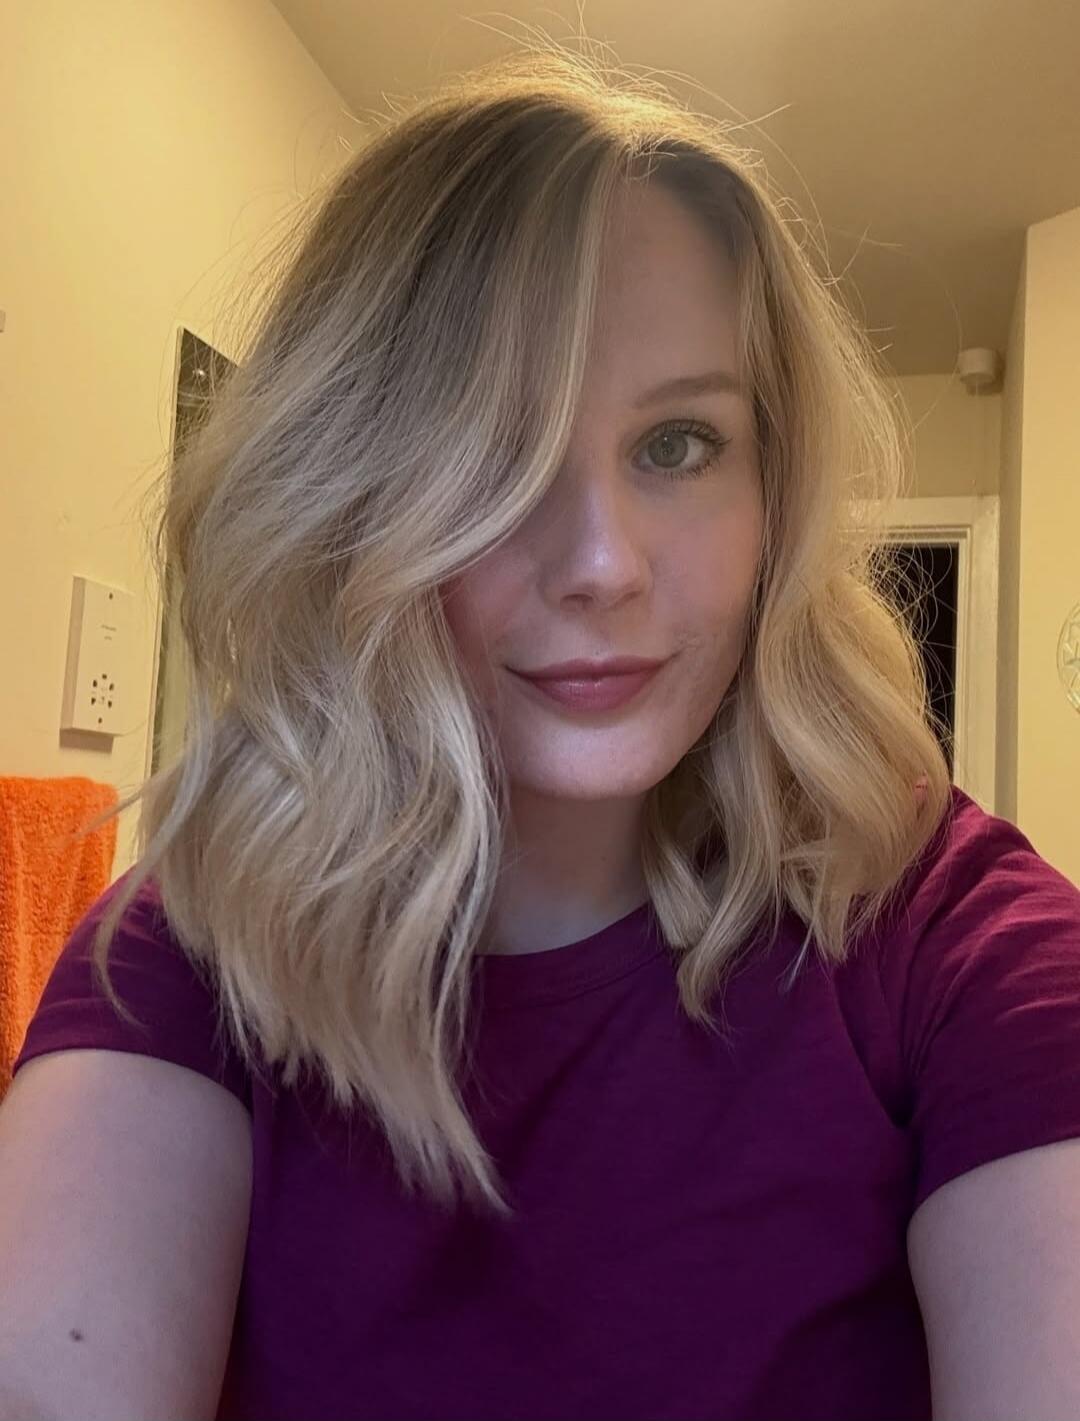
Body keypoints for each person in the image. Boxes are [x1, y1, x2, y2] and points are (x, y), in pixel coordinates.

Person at [2, 41, 1080, 1421]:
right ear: (353, 503)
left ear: (775, 489)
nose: (603, 567)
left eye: (678, 445)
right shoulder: (203, 951)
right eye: (496, 454)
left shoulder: (950, 943)